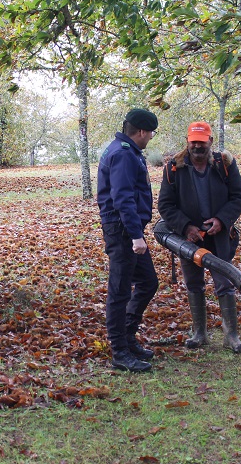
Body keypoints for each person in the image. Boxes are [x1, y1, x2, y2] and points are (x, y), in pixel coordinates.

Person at [157, 121, 241, 353]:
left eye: (202, 141)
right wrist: (186, 227)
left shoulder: (224, 164)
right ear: (187, 142)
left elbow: (239, 197)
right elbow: (165, 205)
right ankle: (200, 333)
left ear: (210, 141)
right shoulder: (174, 168)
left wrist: (221, 220)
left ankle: (232, 336)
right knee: (194, 283)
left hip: (219, 237)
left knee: (225, 282)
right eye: (193, 141)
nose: (198, 146)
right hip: (189, 239)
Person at [97, 108, 160, 372]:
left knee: (147, 282)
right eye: (151, 133)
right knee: (120, 291)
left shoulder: (125, 150)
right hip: (123, 230)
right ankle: (120, 352)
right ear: (142, 131)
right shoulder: (123, 154)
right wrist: (136, 236)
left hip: (128, 228)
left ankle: (127, 336)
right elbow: (122, 198)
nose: (151, 138)